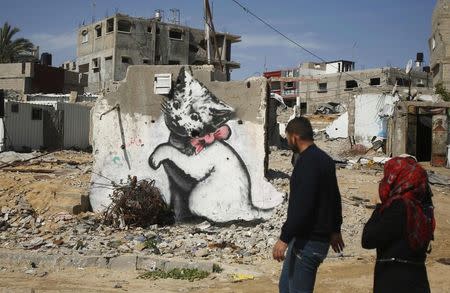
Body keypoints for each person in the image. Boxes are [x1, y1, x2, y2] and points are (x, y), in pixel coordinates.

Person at [273, 116, 344, 293]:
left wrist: (284, 238)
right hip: (313, 239)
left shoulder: (305, 163)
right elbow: (334, 198)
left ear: (294, 137)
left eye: (288, 137)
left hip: (309, 241)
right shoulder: (325, 160)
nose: (288, 141)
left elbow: (302, 207)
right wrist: (335, 230)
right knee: (285, 287)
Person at [362, 156, 435, 293]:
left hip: (395, 282)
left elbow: (368, 239)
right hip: (418, 280)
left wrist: (378, 208)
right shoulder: (422, 205)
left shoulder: (399, 206)